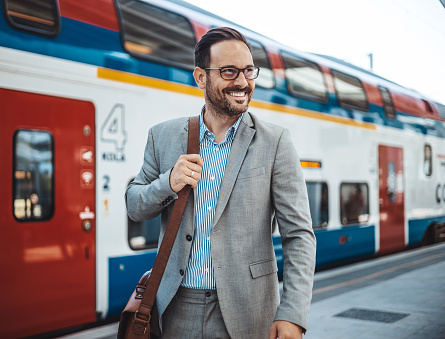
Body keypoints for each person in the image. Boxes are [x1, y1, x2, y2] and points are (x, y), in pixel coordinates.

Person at [126, 27, 316, 339]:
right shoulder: (162, 137)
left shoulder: (276, 142)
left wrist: (293, 313)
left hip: (249, 312)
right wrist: (167, 183)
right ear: (201, 78)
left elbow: (298, 236)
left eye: (248, 71)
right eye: (229, 71)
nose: (242, 82)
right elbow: (134, 206)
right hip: (175, 308)